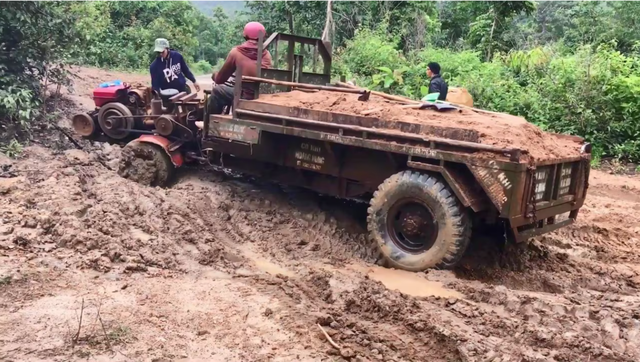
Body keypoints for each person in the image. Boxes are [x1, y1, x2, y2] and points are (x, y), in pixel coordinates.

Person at [208, 22, 272, 114]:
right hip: (261, 94)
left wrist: (215, 75)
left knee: (217, 91)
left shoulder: (236, 52)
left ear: (245, 35)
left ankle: (210, 121)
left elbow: (220, 79)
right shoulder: (267, 54)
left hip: (244, 95)